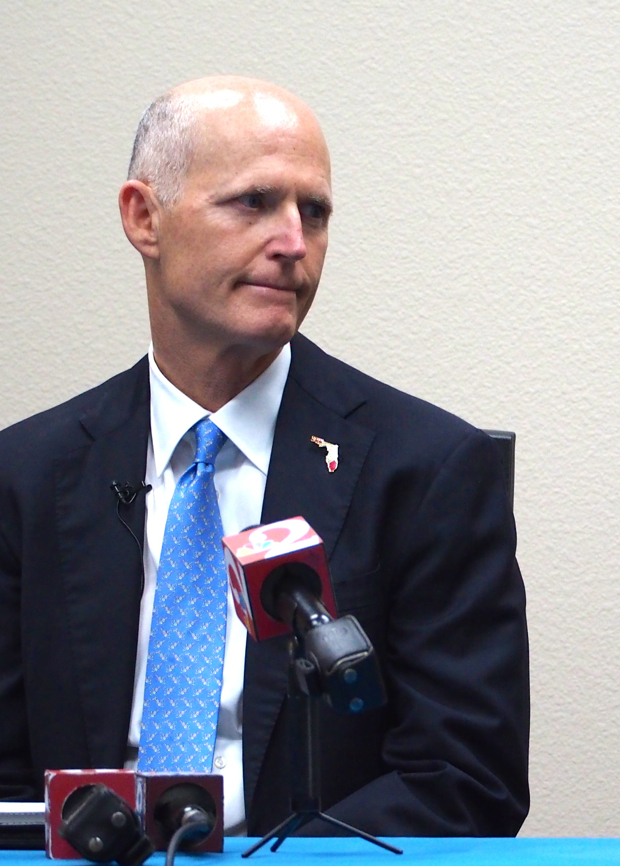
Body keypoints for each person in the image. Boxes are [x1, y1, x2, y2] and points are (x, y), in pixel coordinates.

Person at [0, 76, 530, 837]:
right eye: (252, 203)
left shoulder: (428, 471)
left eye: (313, 212)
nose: (292, 243)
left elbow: (465, 779)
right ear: (143, 217)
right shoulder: (25, 476)